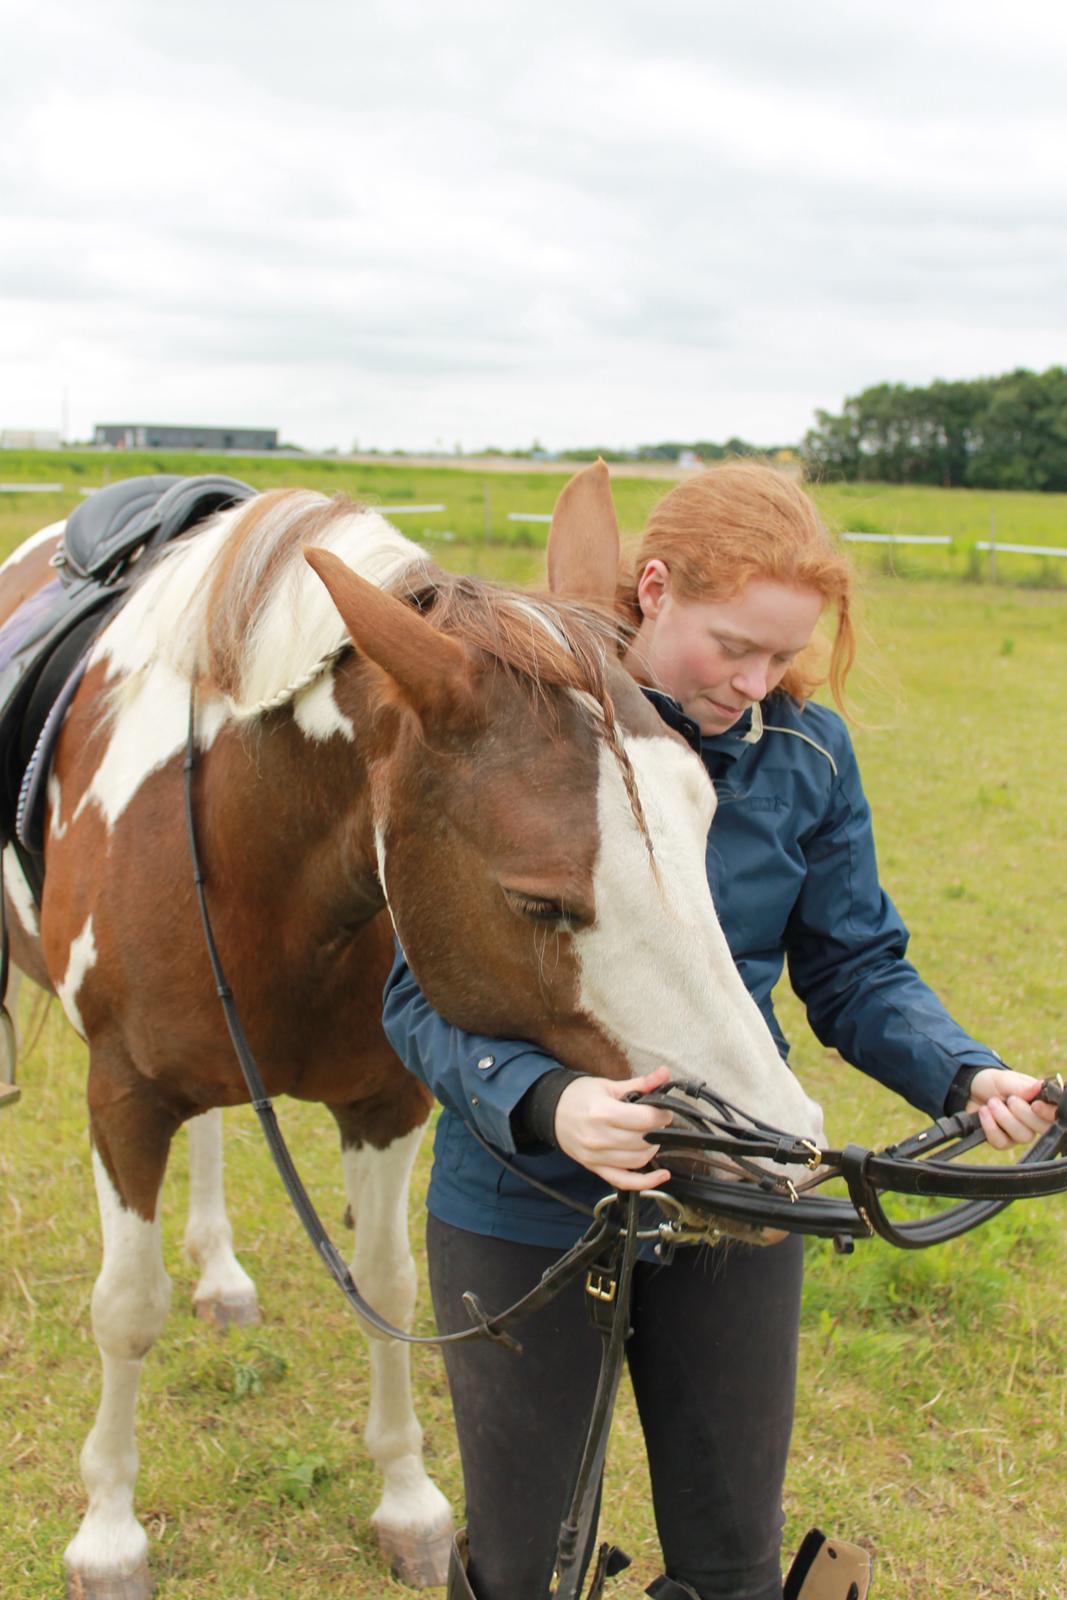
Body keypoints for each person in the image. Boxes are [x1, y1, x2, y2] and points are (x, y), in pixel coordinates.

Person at [381, 463, 1055, 1600]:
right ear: (653, 588)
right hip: (518, 1202)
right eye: (732, 646)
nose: (753, 683)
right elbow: (412, 996)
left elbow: (852, 969)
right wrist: (548, 1102)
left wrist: (965, 1072)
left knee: (733, 1561)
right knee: (522, 1569)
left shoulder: (807, 757)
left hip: (739, 1189)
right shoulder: (523, 733)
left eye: (779, 656)